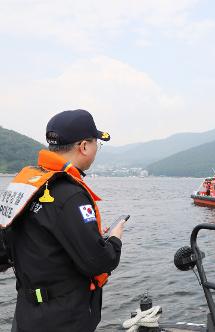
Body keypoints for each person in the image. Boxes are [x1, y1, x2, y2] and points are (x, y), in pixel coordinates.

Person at [1, 109, 124, 332]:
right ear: (84, 146)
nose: (97, 149)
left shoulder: (27, 186)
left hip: (26, 315)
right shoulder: (70, 195)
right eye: (96, 143)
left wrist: (84, 233)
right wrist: (115, 239)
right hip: (62, 319)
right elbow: (98, 262)